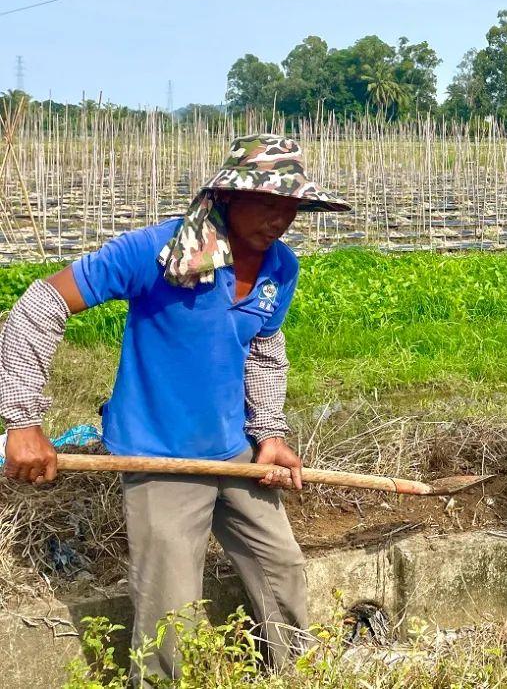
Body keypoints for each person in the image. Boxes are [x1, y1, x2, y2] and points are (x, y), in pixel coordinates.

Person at [0, 134, 350, 683]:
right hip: (157, 456)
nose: (279, 219)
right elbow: (39, 306)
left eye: (290, 207)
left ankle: (296, 675)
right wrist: (23, 420)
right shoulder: (157, 253)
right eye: (266, 202)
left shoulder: (282, 268)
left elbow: (264, 349)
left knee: (282, 567)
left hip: (235, 450)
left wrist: (270, 432)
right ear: (229, 197)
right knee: (172, 612)